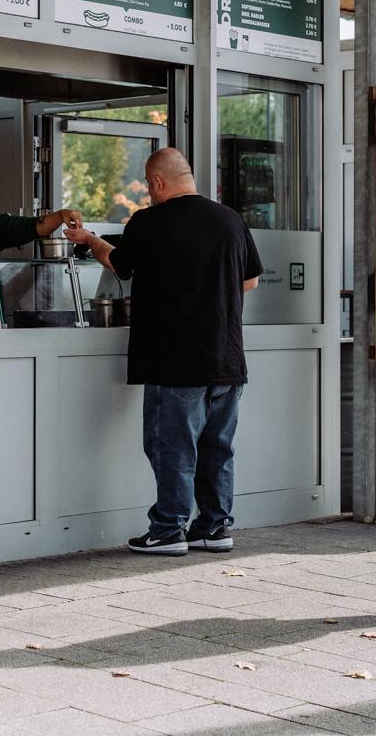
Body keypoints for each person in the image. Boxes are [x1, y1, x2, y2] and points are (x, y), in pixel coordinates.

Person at [64, 148, 262, 557]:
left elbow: (117, 265)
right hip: (226, 359)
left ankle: (169, 529)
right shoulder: (230, 220)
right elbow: (251, 282)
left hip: (175, 360)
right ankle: (214, 526)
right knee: (217, 448)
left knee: (172, 446)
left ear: (156, 183)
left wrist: (89, 240)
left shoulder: (149, 222)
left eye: (149, 186)